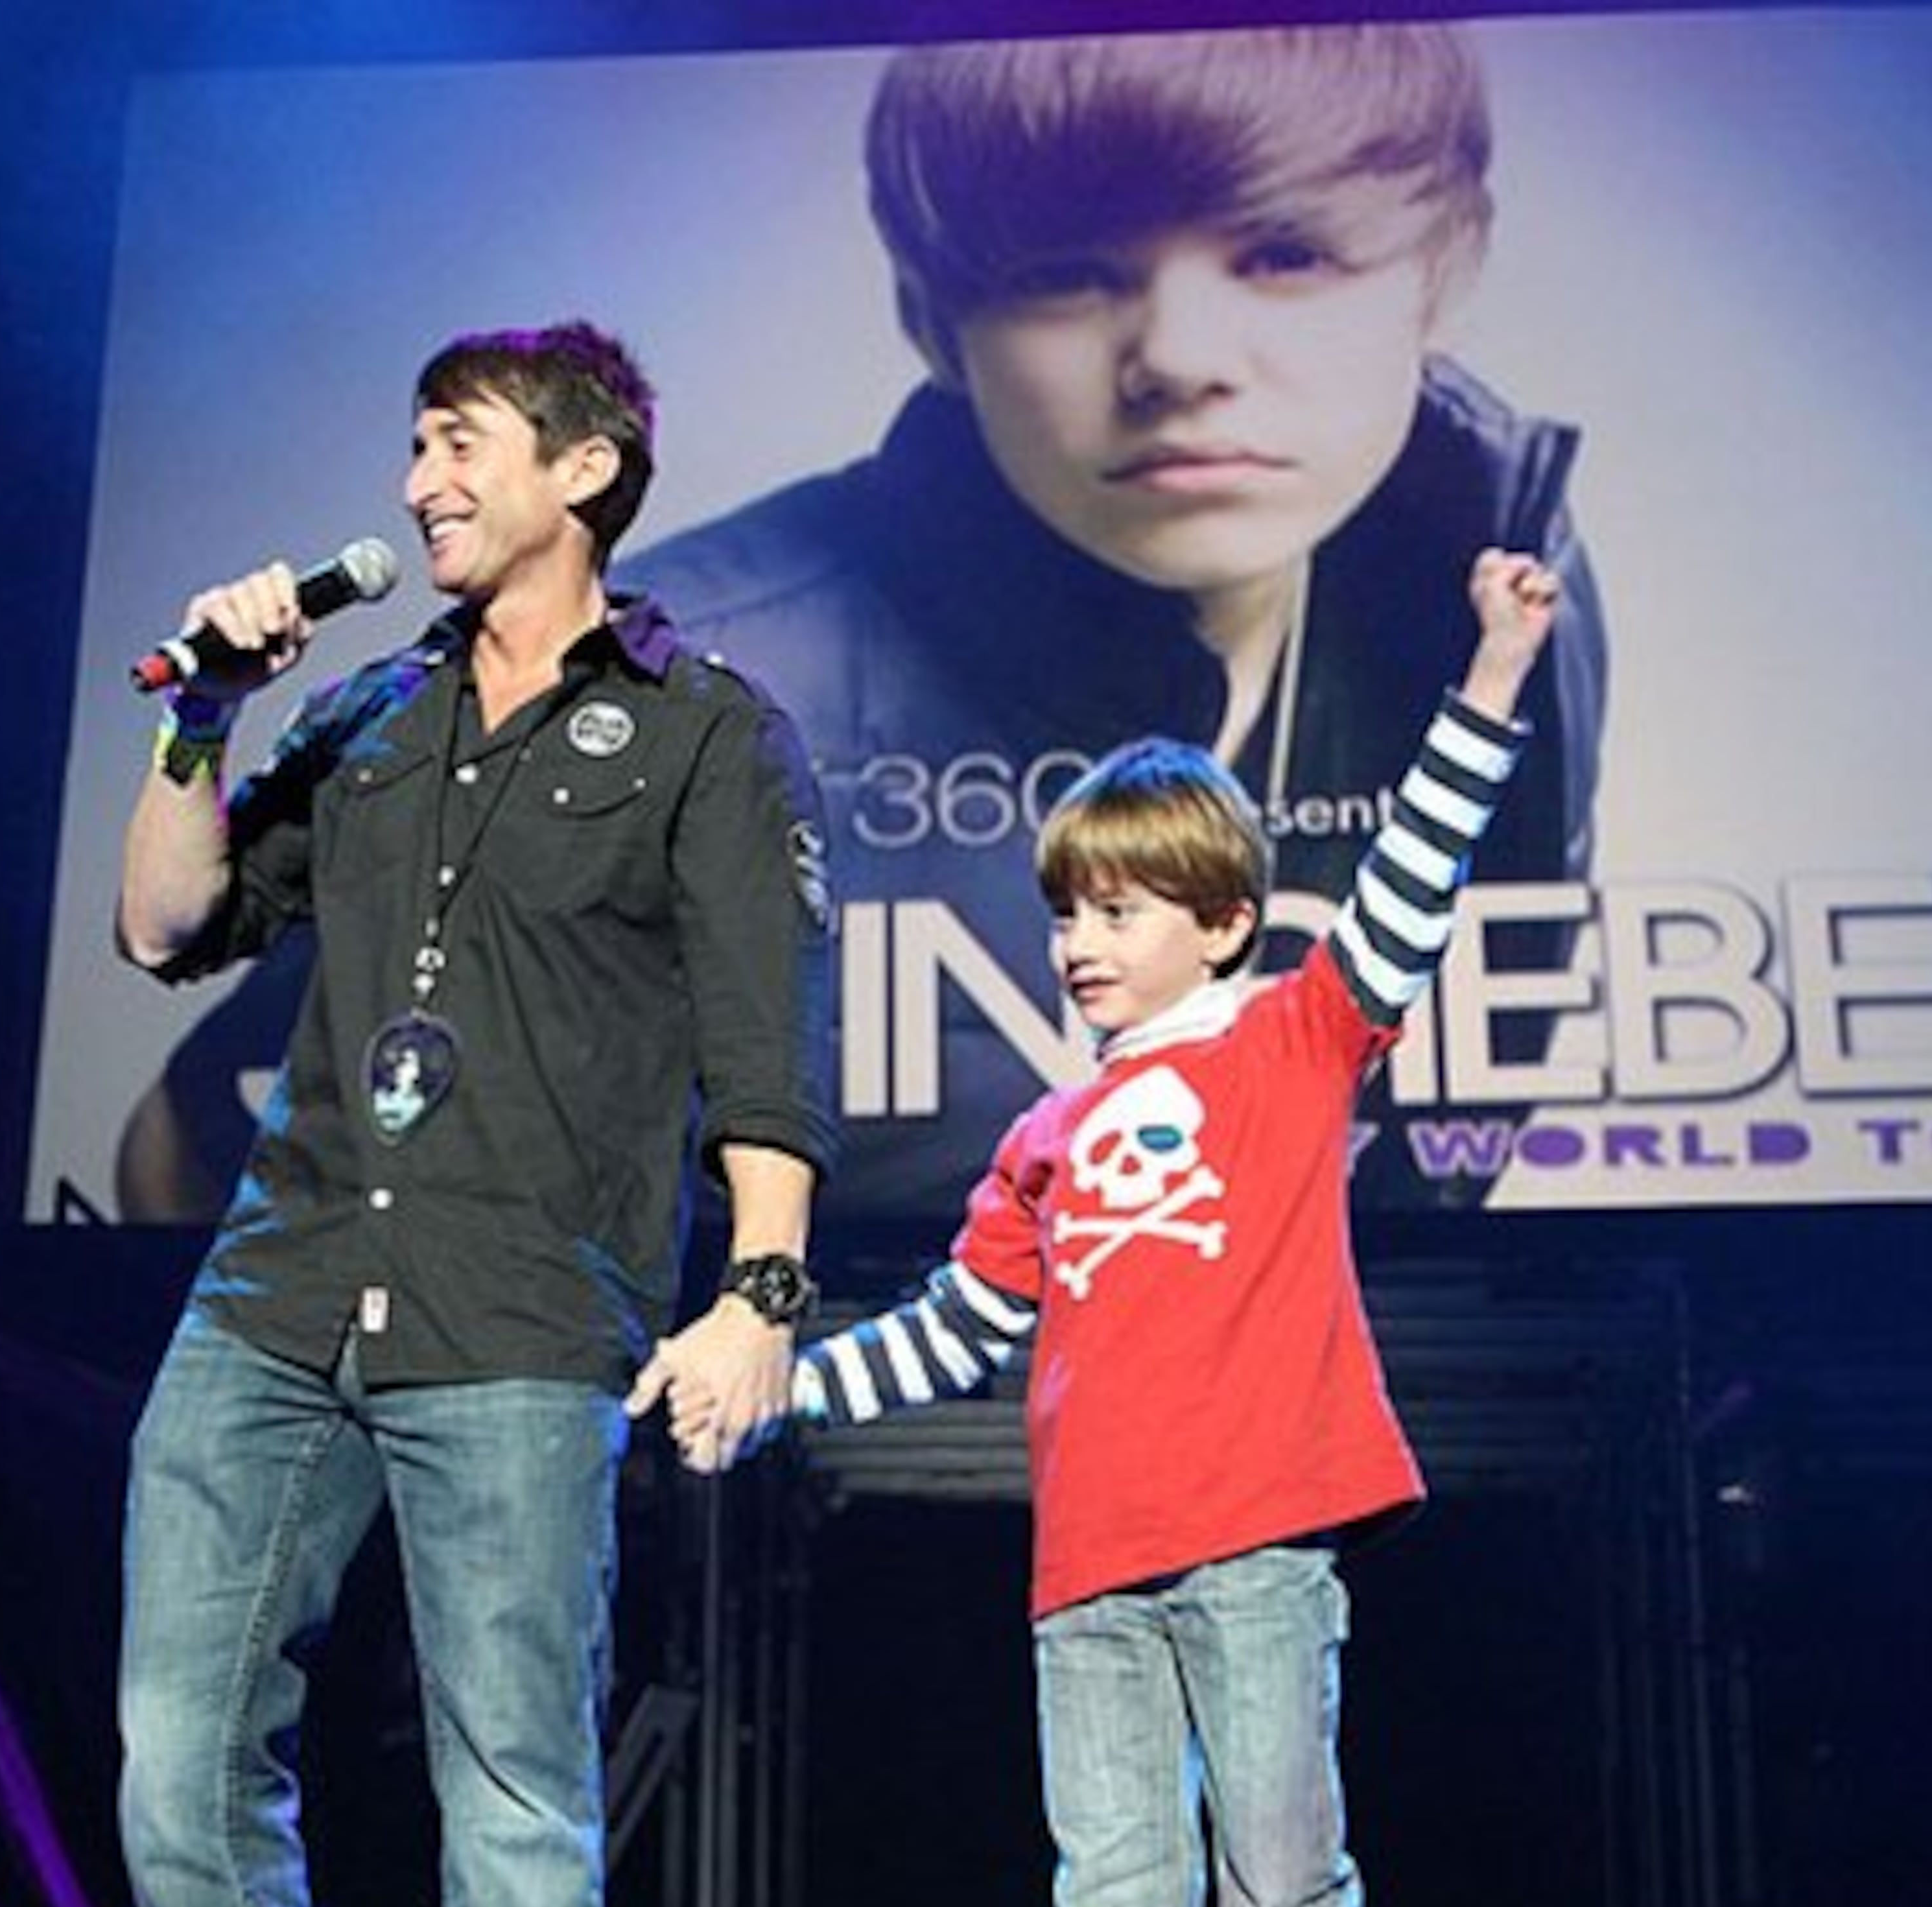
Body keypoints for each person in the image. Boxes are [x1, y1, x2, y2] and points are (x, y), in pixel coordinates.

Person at [669, 548, 1560, 1907]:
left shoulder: (1300, 1037)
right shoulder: (1040, 1143)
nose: (1078, 941)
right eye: (1067, 910)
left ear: (1220, 917)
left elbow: (1419, 860)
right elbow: (950, 1339)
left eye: (1118, 909)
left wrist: (1500, 660)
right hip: (1086, 1583)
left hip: (1255, 1553)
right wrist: (771, 1387)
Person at [110, 320, 836, 1907]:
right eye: (415, 448)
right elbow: (166, 922)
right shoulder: (361, 715)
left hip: (522, 1316)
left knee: (515, 1809)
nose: (422, 480)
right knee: (176, 1763)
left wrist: (760, 1285)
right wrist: (205, 721)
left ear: (583, 472)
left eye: (459, 444)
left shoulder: (708, 730)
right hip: (275, 1296)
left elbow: (766, 1059)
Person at [622, 23, 1605, 1238]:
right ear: (935, 320)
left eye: (1286, 253)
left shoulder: (1490, 582)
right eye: (1068, 273)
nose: (1180, 361)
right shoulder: (679, 685)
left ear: (1447, 271)